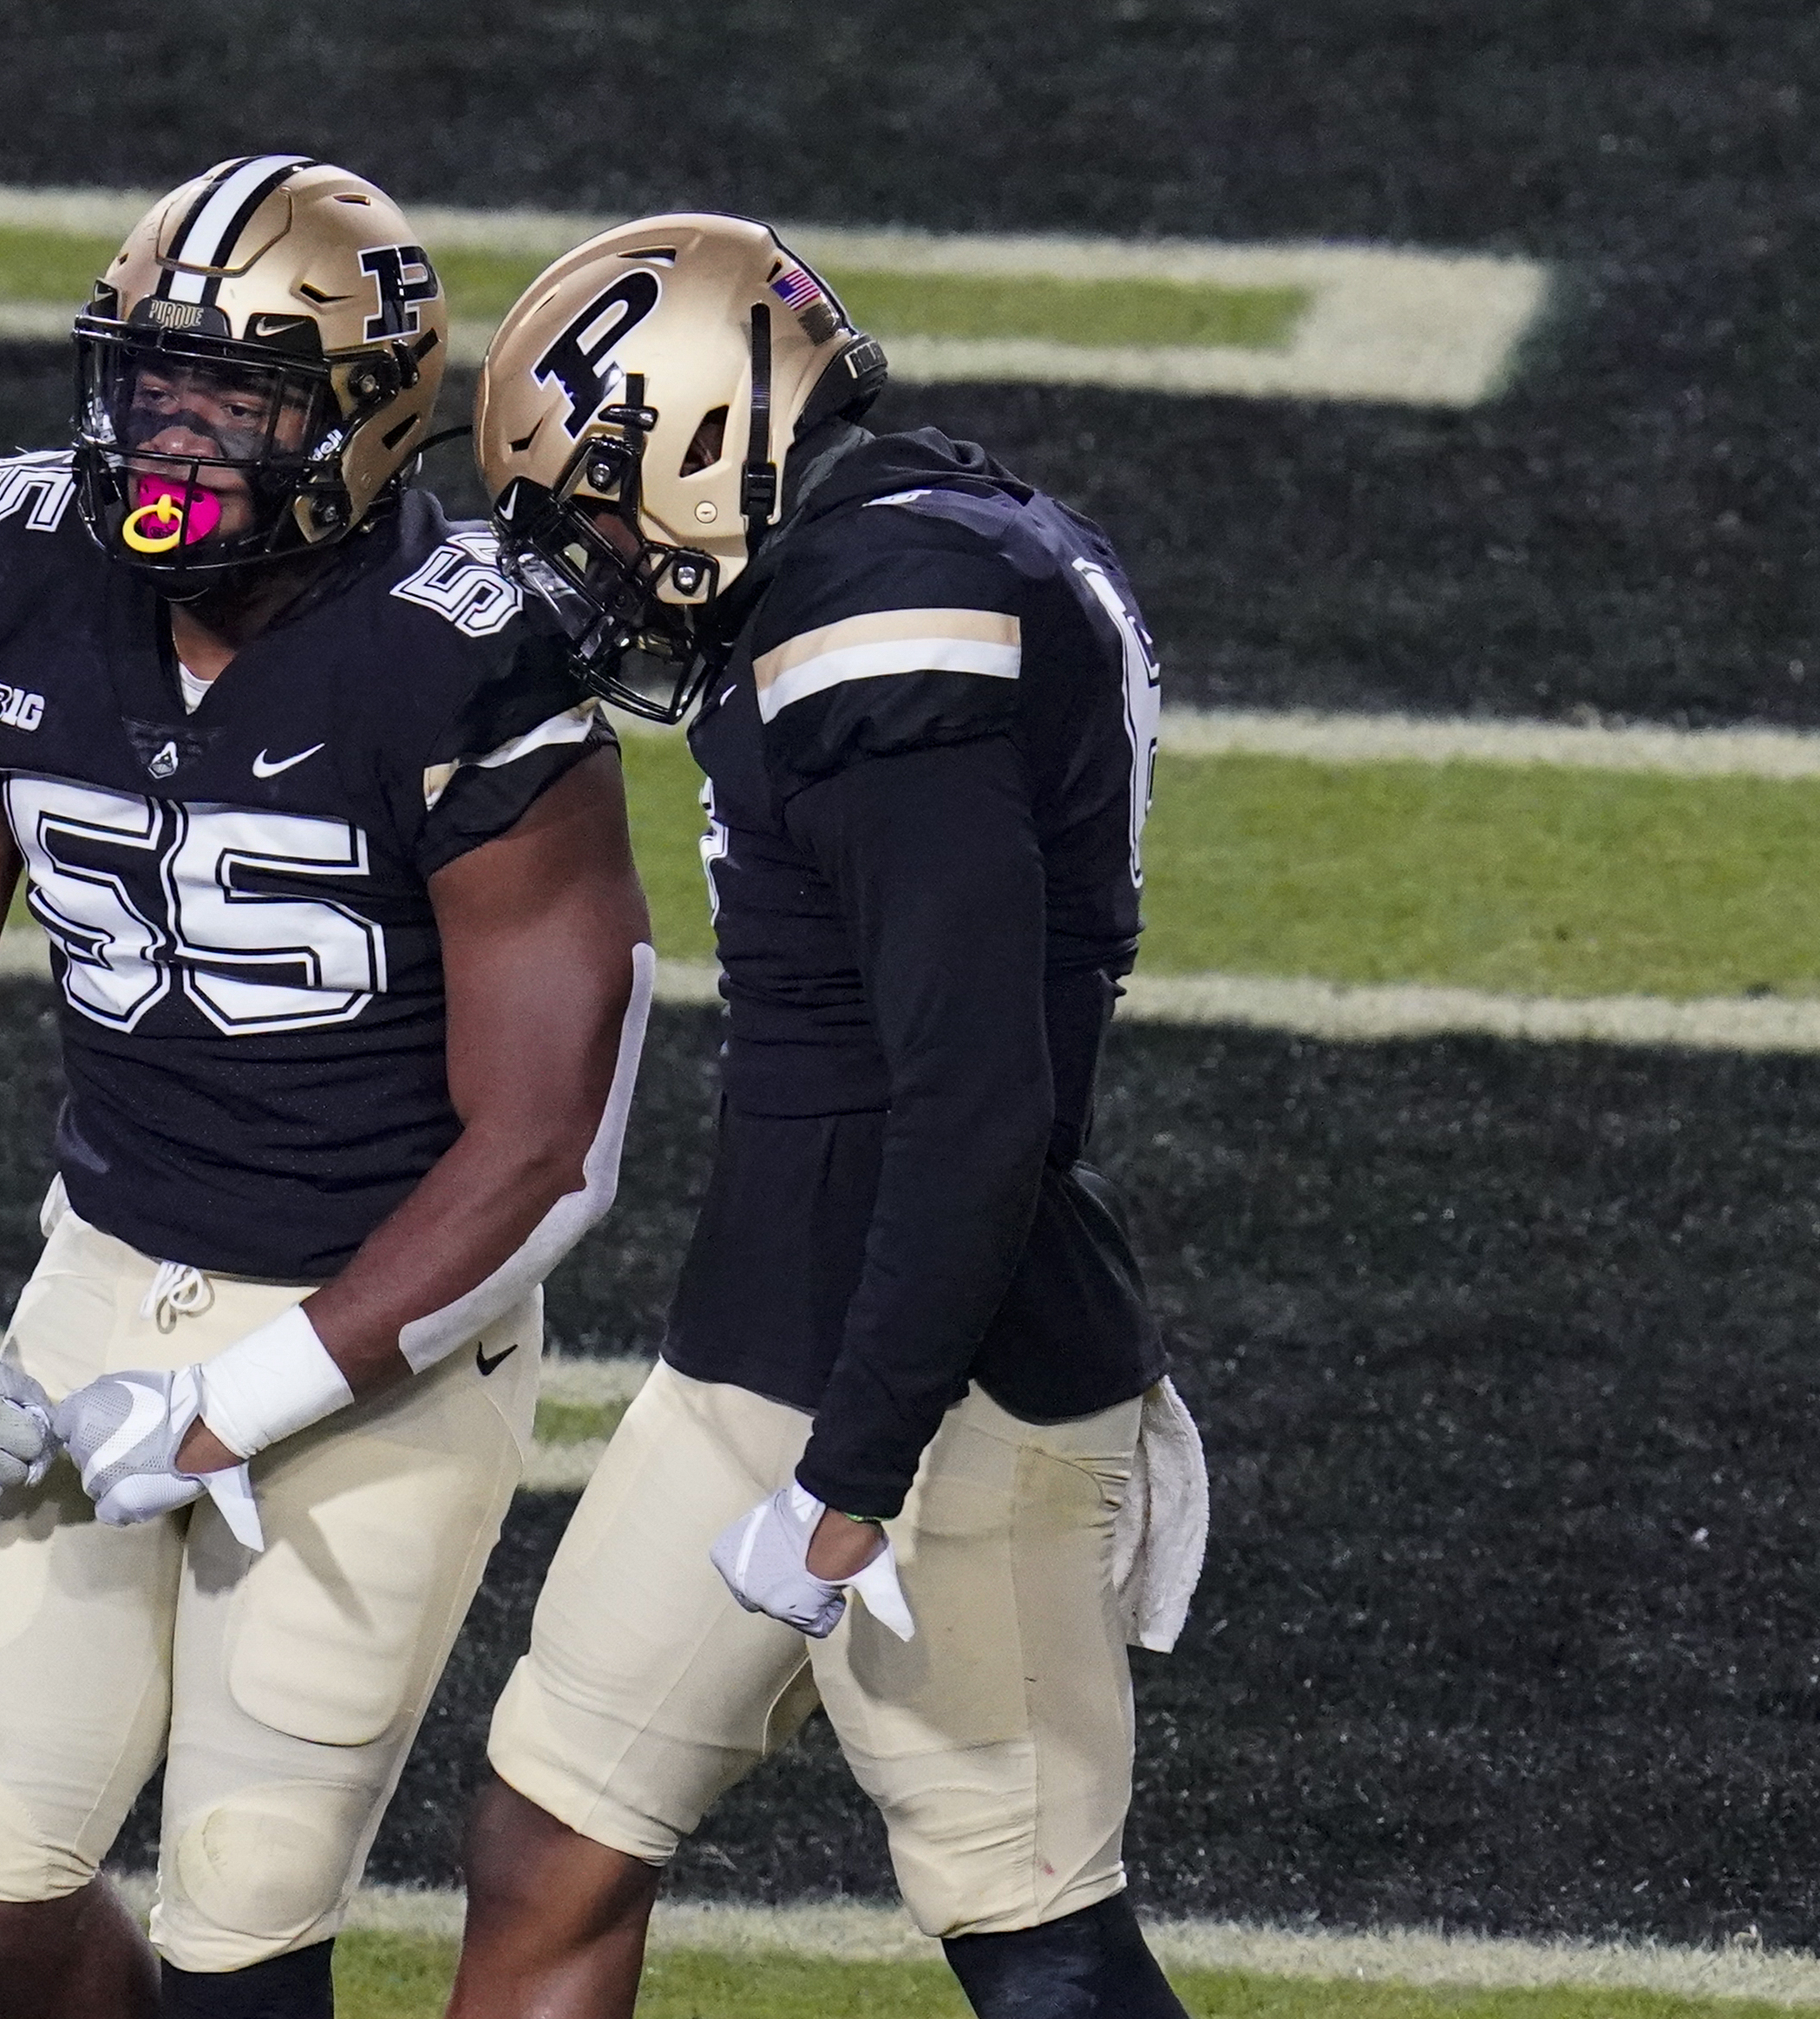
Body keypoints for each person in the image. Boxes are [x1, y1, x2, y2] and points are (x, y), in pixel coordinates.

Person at [0, 154, 656, 2019]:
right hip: (109, 1271)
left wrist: (238, 1406)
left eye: (238, 395)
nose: (175, 433)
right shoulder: (11, 561)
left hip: (386, 1332)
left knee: (242, 1931)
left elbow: (546, 1146)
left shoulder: (467, 653)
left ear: (366, 421)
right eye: (150, 383)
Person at [445, 213, 1211, 2019]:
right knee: (557, 1823)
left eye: (602, 505)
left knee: (1033, 1927)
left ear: (708, 435)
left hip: (946, 1379)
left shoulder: (887, 620)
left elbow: (976, 1102)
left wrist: (853, 1473)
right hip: (770, 1347)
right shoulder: (906, 538)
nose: (600, 567)